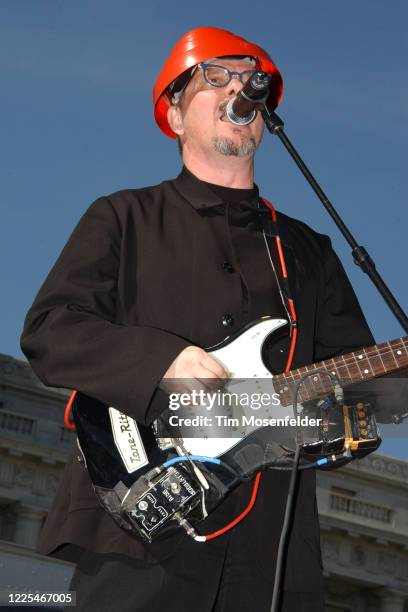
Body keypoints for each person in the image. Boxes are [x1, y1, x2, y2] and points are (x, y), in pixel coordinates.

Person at [20, 26, 374, 612]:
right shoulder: (123, 217)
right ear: (175, 114)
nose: (240, 88)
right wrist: (162, 361)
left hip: (273, 549)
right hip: (141, 527)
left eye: (250, 80)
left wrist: (349, 412)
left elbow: (358, 394)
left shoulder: (309, 251)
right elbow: (50, 330)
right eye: (217, 76)